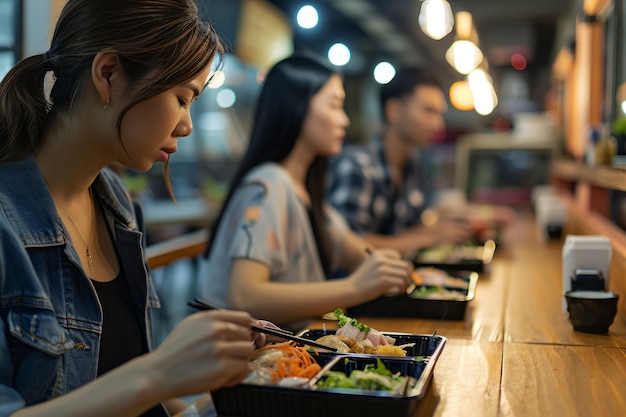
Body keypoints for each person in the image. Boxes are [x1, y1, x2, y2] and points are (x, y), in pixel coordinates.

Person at [0, 1, 273, 416]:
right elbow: (141, 378)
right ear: (108, 73)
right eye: (183, 99)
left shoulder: (118, 206)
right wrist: (160, 370)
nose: (187, 125)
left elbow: (124, 381)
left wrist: (225, 369)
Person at [198, 54, 412, 331]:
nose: (344, 120)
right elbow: (243, 296)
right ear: (296, 107)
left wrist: (382, 267)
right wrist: (353, 287)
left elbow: (360, 254)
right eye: (335, 106)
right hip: (242, 364)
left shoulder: (306, 195)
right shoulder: (270, 184)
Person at [327, 67, 514, 257]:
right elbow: (345, 244)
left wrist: (473, 220)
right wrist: (431, 236)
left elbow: (423, 219)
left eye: (439, 114)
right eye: (428, 111)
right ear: (394, 111)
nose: (438, 124)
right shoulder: (357, 166)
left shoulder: (413, 164)